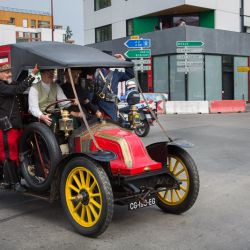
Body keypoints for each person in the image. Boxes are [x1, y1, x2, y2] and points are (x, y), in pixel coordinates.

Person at [0, 63, 39, 191]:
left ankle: (14, 180)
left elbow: (19, 85)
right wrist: (33, 74)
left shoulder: (8, 84)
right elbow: (17, 89)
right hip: (7, 127)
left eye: (9, 72)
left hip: (15, 124)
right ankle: (14, 183)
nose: (9, 74)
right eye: (6, 72)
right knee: (9, 155)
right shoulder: (1, 86)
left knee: (16, 153)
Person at [94, 53, 134, 121]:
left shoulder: (94, 72)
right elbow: (130, 74)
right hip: (104, 107)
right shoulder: (115, 74)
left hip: (100, 107)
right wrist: (124, 60)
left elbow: (130, 75)